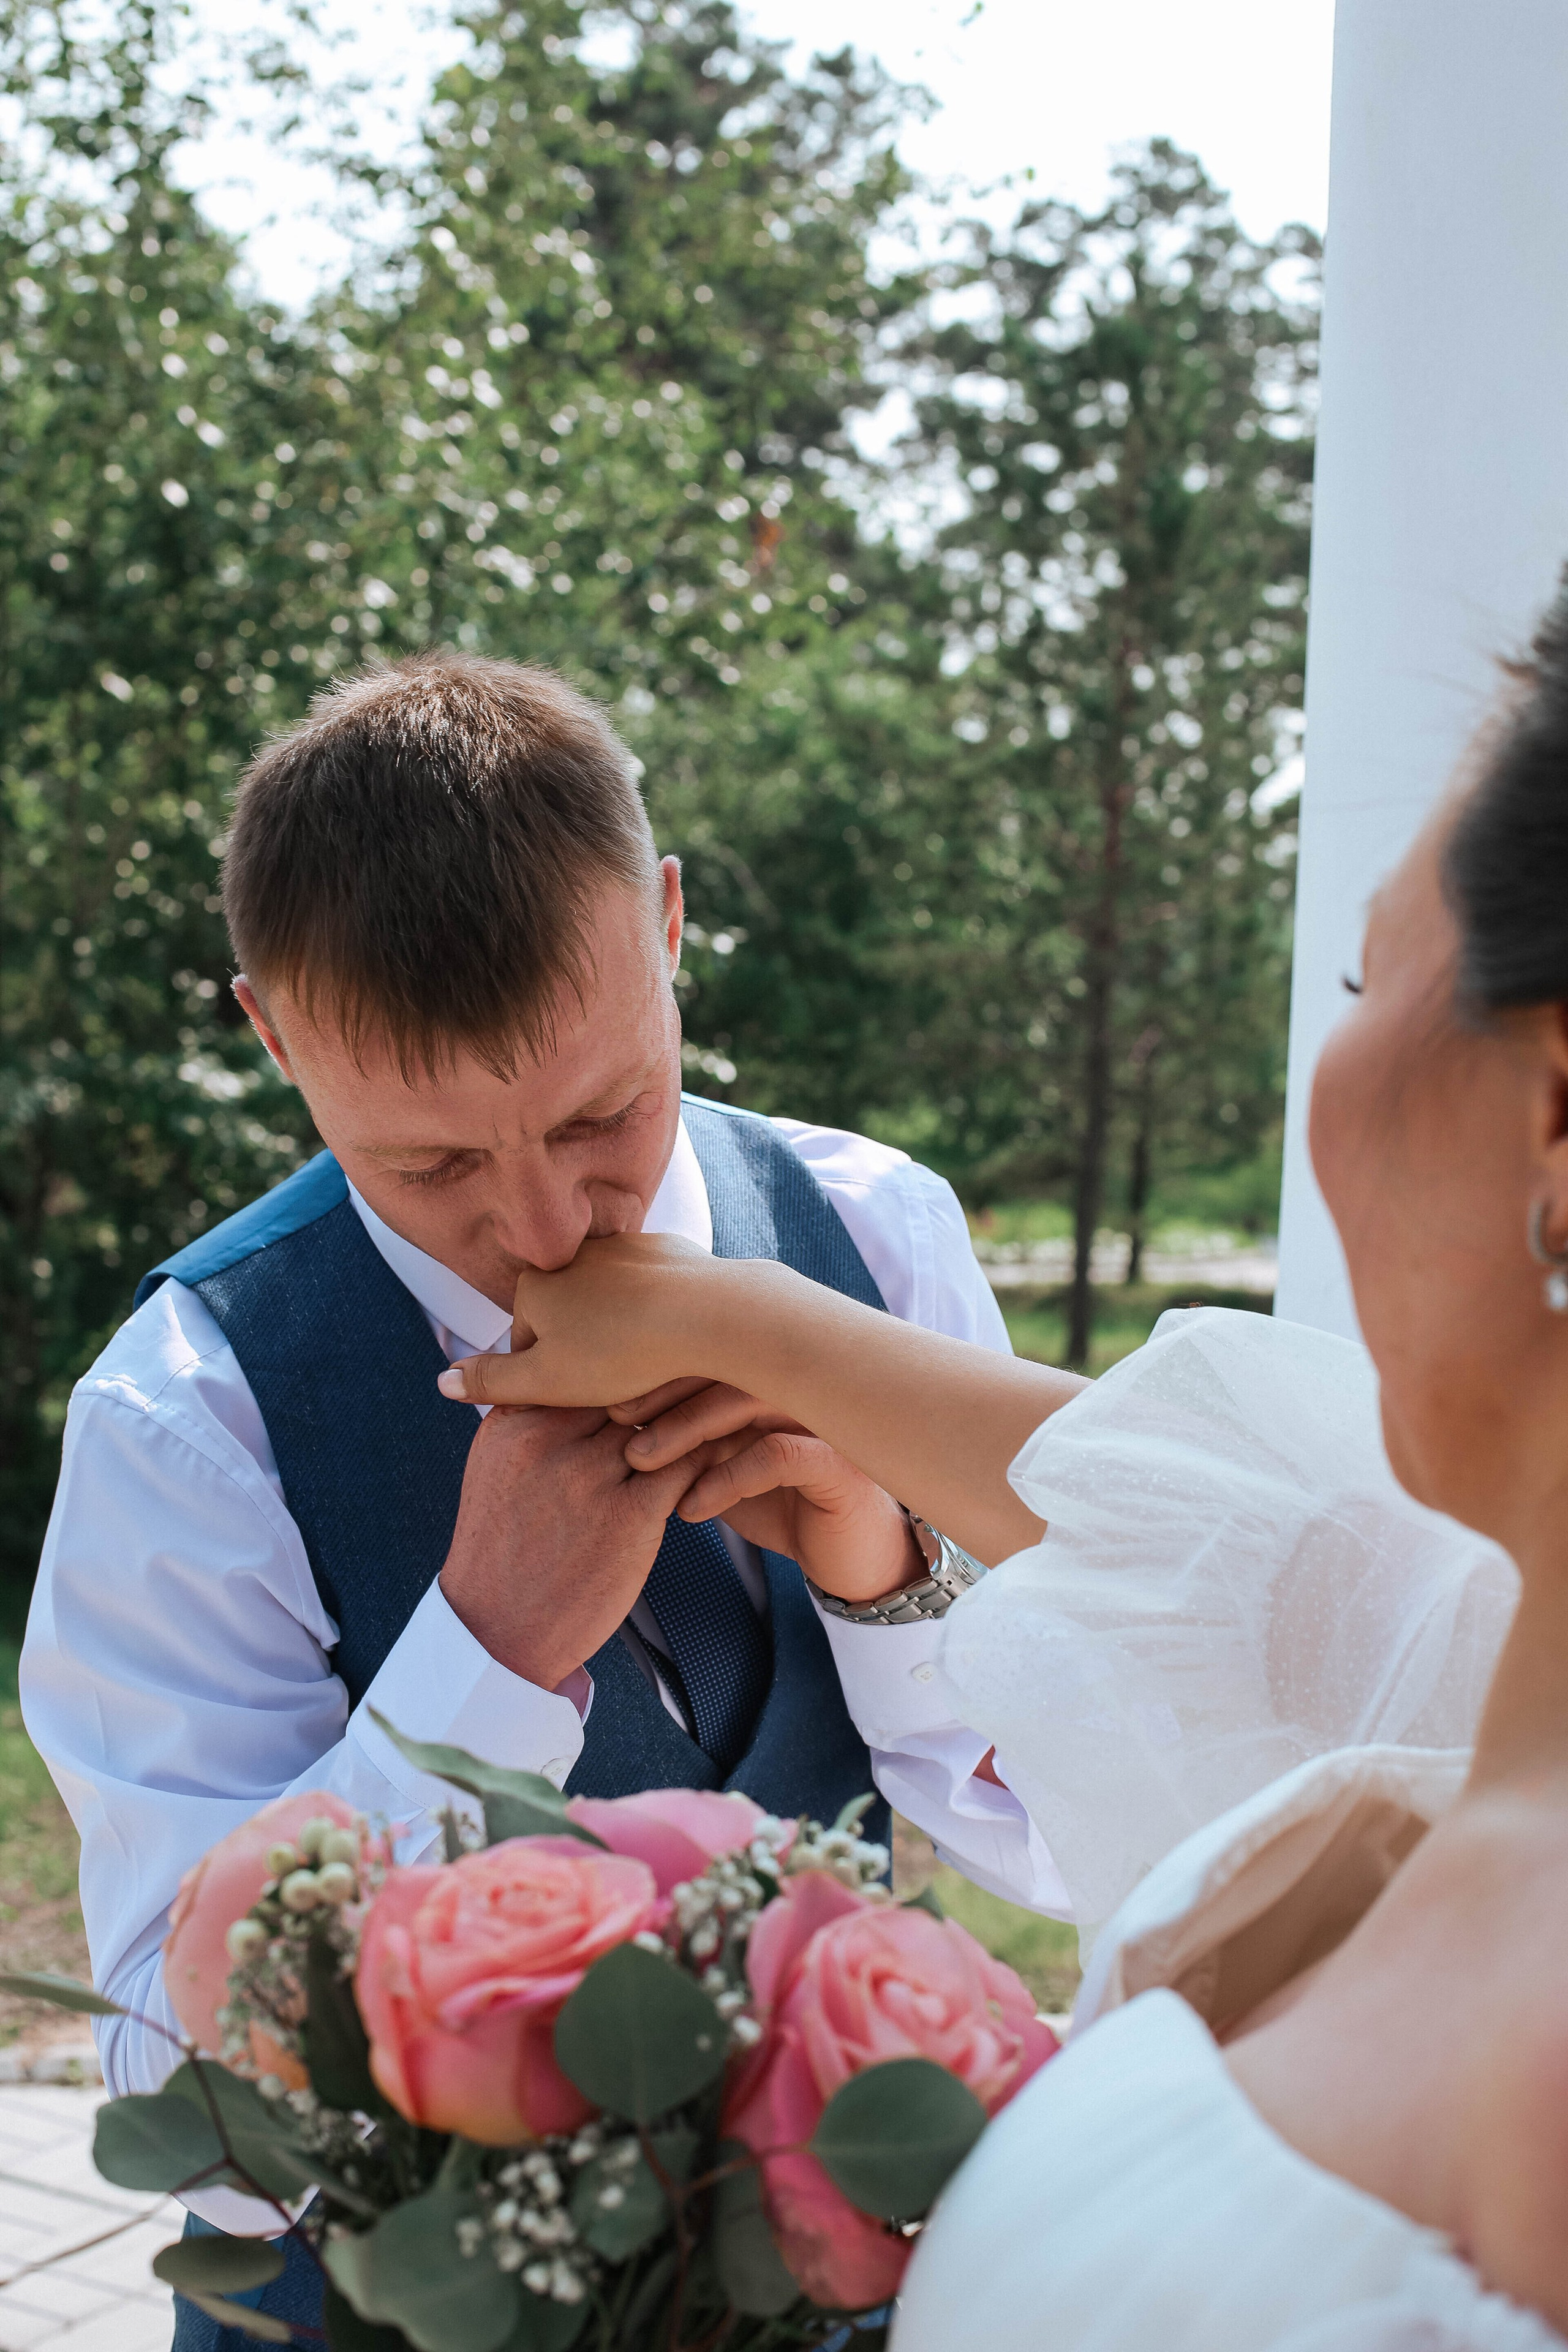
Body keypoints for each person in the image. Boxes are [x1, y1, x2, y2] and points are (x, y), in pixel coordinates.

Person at [448, 586, 1568, 2345]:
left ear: (1555, 1117)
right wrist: (748, 1323)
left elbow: (1083, 1718)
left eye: (1362, 979)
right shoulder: (1476, 1666)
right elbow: (1257, 1545)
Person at [19, 651, 1079, 2348]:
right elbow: (188, 2117)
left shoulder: (877, 1243)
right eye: (430, 1164)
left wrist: (888, 1579)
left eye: (604, 1115)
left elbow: (1065, 1847)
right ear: (273, 1036)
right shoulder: (187, 1424)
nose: (544, 1229)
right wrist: (485, 1656)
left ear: (668, 927)